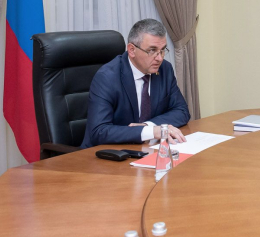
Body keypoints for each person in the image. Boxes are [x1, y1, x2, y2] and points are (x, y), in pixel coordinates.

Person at [80, 19, 191, 148]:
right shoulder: (107, 77)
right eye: (152, 50)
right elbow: (99, 131)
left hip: (144, 149)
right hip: (105, 153)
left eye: (162, 50)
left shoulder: (164, 69)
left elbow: (182, 111)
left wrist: (148, 127)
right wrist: (150, 132)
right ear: (132, 50)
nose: (159, 58)